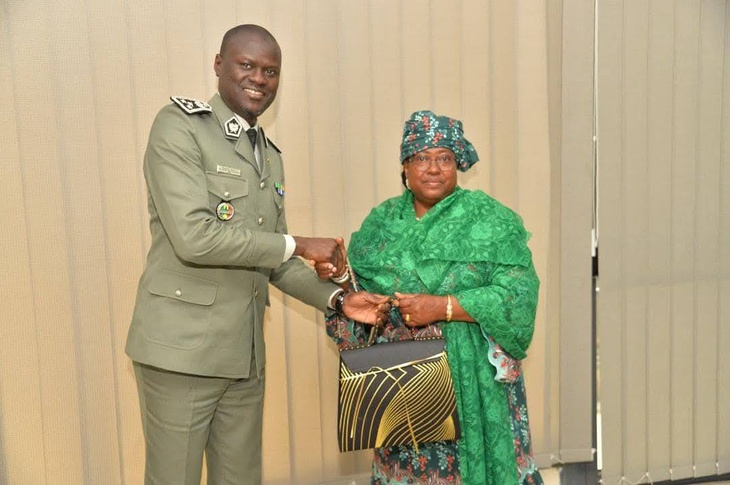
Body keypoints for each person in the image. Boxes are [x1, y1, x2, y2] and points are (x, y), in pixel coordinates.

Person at [125, 24, 389, 485]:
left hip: (244, 356)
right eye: (247, 65)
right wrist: (301, 243)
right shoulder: (180, 127)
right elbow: (195, 236)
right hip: (182, 355)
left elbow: (275, 259)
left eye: (271, 71)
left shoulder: (268, 153)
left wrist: (338, 300)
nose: (259, 79)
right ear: (219, 65)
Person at [322, 110, 543, 485]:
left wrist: (441, 307)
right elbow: (357, 300)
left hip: (473, 382)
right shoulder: (382, 224)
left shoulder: (489, 219)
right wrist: (342, 279)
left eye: (444, 158)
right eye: (422, 158)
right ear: (405, 167)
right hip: (404, 383)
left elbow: (517, 296)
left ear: (458, 166)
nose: (433, 168)